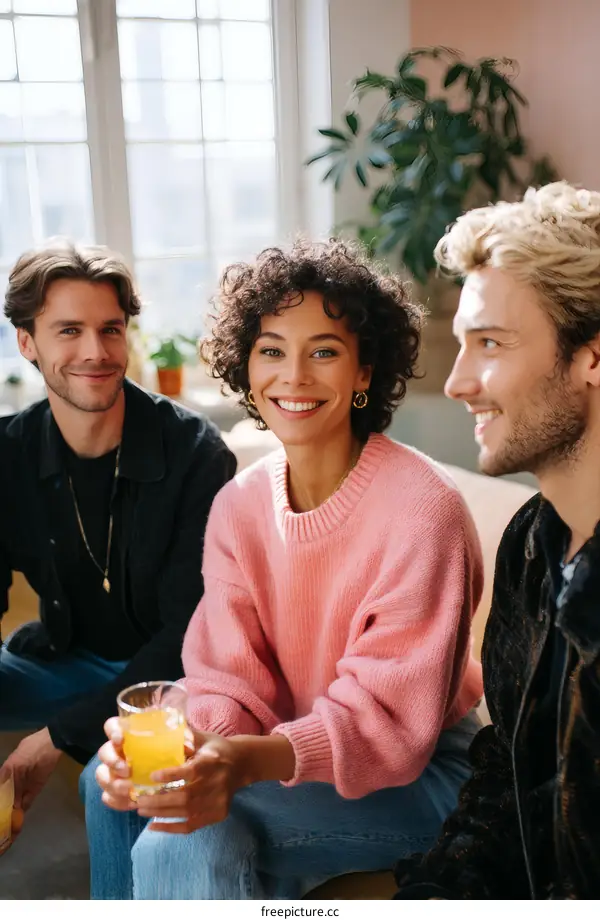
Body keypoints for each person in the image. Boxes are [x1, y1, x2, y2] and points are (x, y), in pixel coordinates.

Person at [82, 238, 485, 900]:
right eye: (272, 350)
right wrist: (196, 744)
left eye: (323, 351)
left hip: (424, 771)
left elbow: (387, 725)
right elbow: (229, 679)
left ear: (364, 372)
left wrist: (238, 766)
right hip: (293, 747)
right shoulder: (240, 504)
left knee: (182, 829)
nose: (293, 376)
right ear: (246, 367)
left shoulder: (422, 509)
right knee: (110, 790)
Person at [394, 181, 600, 900]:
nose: (456, 382)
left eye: (490, 344)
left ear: (592, 358)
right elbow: (505, 783)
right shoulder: (529, 546)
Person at [0, 240, 236, 847]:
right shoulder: (7, 453)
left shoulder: (197, 456)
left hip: (168, 682)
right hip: (59, 658)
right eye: (68, 330)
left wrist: (54, 736)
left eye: (111, 329)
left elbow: (189, 636)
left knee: (101, 786)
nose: (96, 352)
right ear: (28, 343)